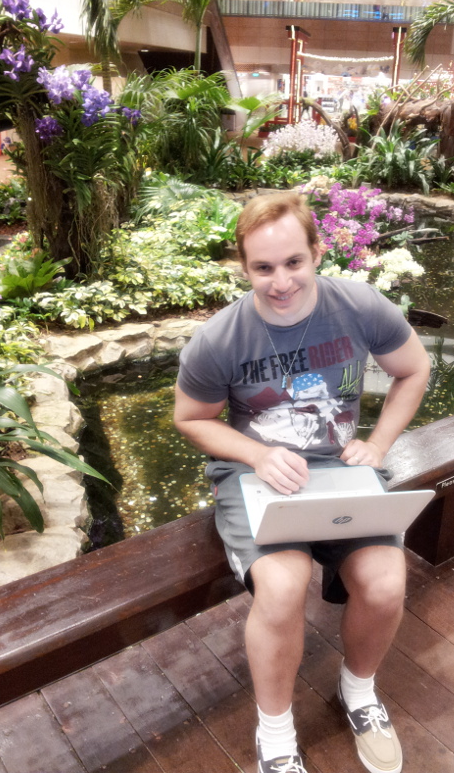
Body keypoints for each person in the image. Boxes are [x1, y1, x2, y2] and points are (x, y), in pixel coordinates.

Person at [174, 192, 430, 773]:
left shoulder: (359, 305)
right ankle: (276, 733)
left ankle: (359, 691)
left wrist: (379, 444)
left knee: (386, 582)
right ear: (244, 268)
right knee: (283, 588)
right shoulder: (219, 339)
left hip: (342, 467)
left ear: (317, 251)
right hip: (256, 474)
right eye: (263, 267)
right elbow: (191, 419)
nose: (281, 281)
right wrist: (257, 454)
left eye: (294, 261)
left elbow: (414, 369)